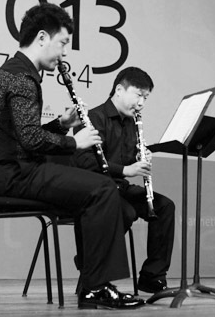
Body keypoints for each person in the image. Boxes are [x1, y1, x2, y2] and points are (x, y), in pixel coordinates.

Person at [0, 3, 143, 309]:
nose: (65, 52)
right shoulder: (22, 78)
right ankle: (95, 287)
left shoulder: (16, 72)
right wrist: (74, 143)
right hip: (13, 175)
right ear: (42, 37)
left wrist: (61, 125)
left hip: (11, 170)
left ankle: (93, 282)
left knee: (97, 191)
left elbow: (21, 135)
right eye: (63, 43)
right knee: (102, 188)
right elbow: (30, 140)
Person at [72, 67, 176, 294]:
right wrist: (126, 169)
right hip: (96, 190)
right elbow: (84, 162)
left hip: (120, 188)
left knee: (164, 206)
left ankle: (152, 276)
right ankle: (92, 271)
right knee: (125, 212)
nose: (141, 103)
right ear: (119, 90)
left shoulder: (132, 122)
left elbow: (127, 160)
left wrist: (140, 157)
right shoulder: (93, 118)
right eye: (138, 95)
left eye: (145, 98)